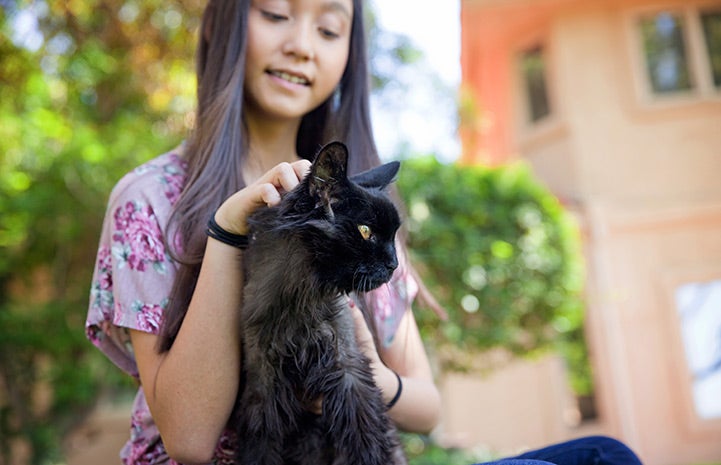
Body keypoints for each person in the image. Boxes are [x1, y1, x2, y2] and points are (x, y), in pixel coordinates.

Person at [84, 1, 643, 464]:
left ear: (349, 54)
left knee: (603, 455)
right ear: (224, 24)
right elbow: (188, 439)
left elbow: (426, 405)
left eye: (329, 28)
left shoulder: (358, 209)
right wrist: (230, 230)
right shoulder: (152, 198)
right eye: (276, 14)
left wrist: (370, 375)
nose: (303, 44)